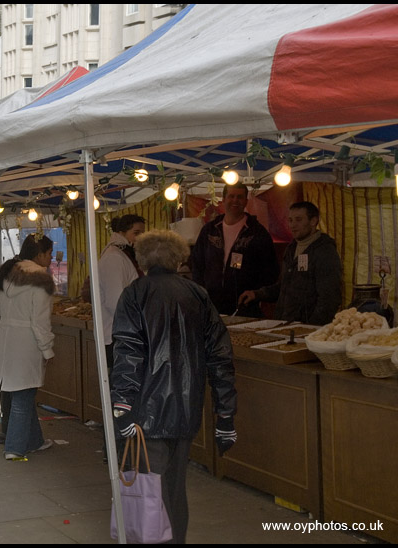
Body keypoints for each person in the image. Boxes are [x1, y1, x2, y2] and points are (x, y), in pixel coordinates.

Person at [110, 229, 237, 544]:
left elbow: (127, 352)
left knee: (148, 488)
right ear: (180, 259)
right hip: (186, 408)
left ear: (141, 260)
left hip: (144, 410)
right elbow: (220, 357)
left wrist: (121, 406)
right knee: (174, 488)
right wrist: (226, 417)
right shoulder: (197, 294)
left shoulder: (134, 293)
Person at [0, 234, 56, 460]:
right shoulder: (41, 279)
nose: (51, 257)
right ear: (39, 255)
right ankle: (15, 448)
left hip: (7, 338)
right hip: (28, 341)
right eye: (49, 253)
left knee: (20, 390)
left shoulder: (7, 272)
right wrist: (47, 349)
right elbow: (40, 320)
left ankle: (34, 441)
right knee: (24, 394)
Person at [238, 201, 342, 325]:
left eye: (298, 220)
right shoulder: (291, 248)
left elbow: (329, 298)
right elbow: (283, 286)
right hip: (283, 325)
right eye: (290, 220)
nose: (293, 225)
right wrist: (257, 294)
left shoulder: (324, 252)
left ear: (313, 221)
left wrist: (311, 328)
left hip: (305, 330)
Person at [190, 182, 279, 317]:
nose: (235, 200)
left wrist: (256, 293)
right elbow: (197, 263)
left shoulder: (257, 232)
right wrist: (201, 290)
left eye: (240, 197)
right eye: (231, 196)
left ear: (246, 201)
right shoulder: (210, 230)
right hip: (211, 304)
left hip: (244, 307)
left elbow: (270, 270)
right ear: (223, 200)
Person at [97, 214, 146, 370]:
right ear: (122, 233)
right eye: (136, 233)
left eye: (142, 233)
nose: (140, 237)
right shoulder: (114, 257)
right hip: (117, 335)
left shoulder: (123, 254)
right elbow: (115, 302)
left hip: (123, 332)